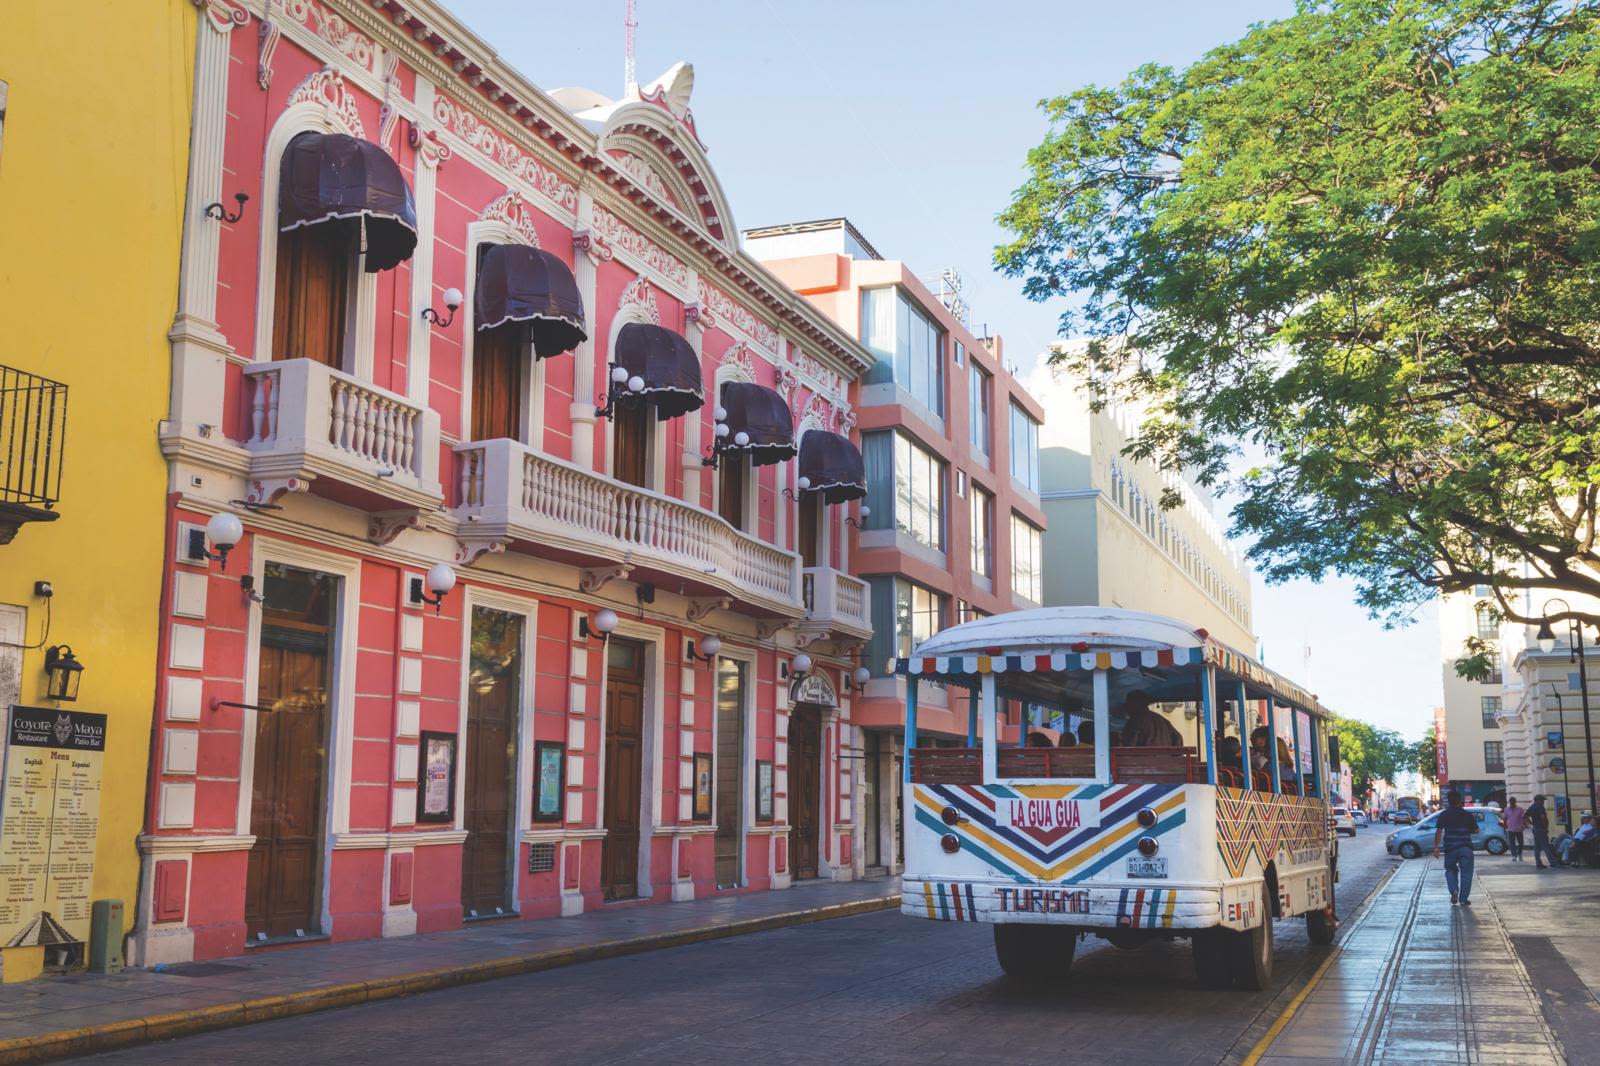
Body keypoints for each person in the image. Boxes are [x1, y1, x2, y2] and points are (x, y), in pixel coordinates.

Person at [1433, 791, 1479, 906]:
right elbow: (1476, 830)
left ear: (1448, 801)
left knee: (1450, 870)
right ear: (1459, 800)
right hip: (1465, 847)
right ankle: (1463, 899)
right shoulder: (1468, 815)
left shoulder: (1444, 814)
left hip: (1450, 848)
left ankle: (1454, 890)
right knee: (1466, 873)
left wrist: (1436, 847)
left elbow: (1438, 831)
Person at [1528, 795, 1565, 869]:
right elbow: (1543, 818)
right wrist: (1545, 827)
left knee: (1537, 847)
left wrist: (1532, 823)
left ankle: (1538, 862)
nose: (1543, 802)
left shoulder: (1531, 807)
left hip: (1535, 828)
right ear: (1538, 800)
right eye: (1542, 800)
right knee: (1546, 846)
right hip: (1541, 829)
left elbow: (1524, 817)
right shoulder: (1540, 807)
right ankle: (1553, 862)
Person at [1502, 797, 1527, 862]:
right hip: (1511, 829)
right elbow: (1505, 818)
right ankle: (1514, 856)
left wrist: (1524, 825)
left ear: (1515, 802)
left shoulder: (1520, 809)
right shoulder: (1506, 809)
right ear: (1509, 802)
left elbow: (1523, 818)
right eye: (1510, 802)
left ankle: (1519, 853)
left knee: (1521, 843)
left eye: (1513, 802)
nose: (1512, 803)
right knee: (1512, 843)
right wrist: (1504, 827)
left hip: (1519, 829)